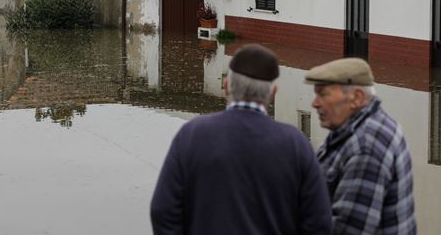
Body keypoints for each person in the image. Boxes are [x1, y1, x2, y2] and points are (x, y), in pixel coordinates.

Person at [151, 44, 331, 235]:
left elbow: (163, 211)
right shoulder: (296, 144)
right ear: (273, 93)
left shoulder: (192, 134)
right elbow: (318, 222)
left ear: (227, 85)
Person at [306, 58, 416, 234]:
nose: (315, 103)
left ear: (356, 98)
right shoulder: (360, 126)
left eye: (323, 94)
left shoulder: (366, 147)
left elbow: (348, 229)